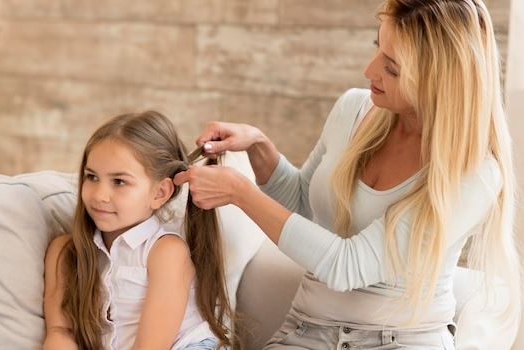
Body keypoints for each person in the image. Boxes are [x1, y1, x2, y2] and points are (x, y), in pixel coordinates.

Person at [173, 0, 521, 348]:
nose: (370, 71)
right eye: (377, 48)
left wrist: (241, 194)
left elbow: (347, 266)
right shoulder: (354, 109)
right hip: (305, 332)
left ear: (439, 81)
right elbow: (304, 205)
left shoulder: (475, 174)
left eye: (393, 68)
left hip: (401, 341)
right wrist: (258, 146)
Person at [43, 111, 234, 350]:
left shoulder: (165, 252)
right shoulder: (65, 252)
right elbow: (60, 332)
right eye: (92, 177)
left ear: (159, 193)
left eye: (119, 181)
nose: (100, 195)